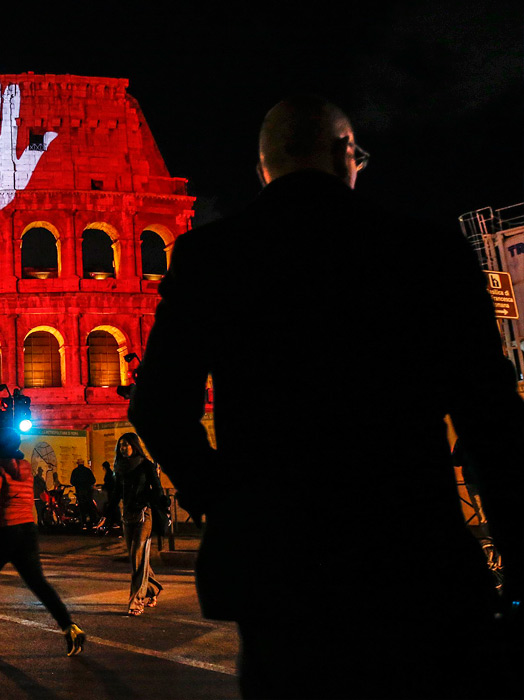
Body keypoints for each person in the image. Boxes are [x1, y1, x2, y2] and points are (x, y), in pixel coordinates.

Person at [127, 94, 524, 699]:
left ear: (264, 168)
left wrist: (228, 504)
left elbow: (156, 406)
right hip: (412, 554)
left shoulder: (211, 258)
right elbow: (493, 421)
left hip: (282, 566)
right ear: (347, 155)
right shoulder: (427, 253)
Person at [0, 428, 85, 656]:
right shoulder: (25, 467)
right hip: (26, 530)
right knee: (38, 583)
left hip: (1, 531)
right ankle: (69, 626)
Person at [114, 433, 165, 616]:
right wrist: (109, 509)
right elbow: (116, 493)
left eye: (126, 445)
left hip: (145, 515)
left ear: (134, 446)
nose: (123, 448)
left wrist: (162, 501)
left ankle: (136, 602)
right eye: (120, 445)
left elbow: (157, 489)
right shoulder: (119, 467)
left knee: (137, 556)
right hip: (127, 516)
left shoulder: (146, 465)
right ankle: (153, 590)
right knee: (137, 559)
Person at [69, 459, 97, 527]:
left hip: (79, 492)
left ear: (77, 463)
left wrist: (78, 484)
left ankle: (83, 522)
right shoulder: (88, 471)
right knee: (89, 506)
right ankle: (92, 521)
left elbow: (72, 482)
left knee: (82, 507)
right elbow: (93, 480)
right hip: (88, 492)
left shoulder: (75, 471)